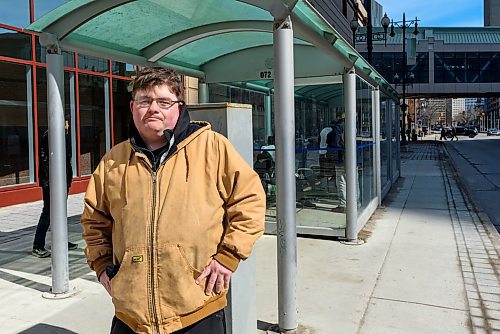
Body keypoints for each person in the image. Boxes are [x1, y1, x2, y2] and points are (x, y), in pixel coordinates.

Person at [80, 67, 265, 334]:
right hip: (131, 316)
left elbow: (249, 201)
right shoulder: (113, 160)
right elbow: (94, 219)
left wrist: (228, 256)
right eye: (145, 101)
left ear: (179, 106)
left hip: (197, 309)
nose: (153, 108)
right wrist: (101, 265)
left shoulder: (213, 147)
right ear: (133, 107)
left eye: (163, 101)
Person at [32, 119, 78, 258]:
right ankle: (37, 245)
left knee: (60, 212)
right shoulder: (51, 136)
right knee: (48, 211)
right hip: (52, 182)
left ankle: (60, 240)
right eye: (67, 122)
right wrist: (52, 181)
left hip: (62, 180)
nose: (68, 125)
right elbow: (47, 159)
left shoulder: (62, 136)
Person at [327, 113, 346, 213]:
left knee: (341, 180)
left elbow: (335, 142)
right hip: (353, 157)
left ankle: (343, 205)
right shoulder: (352, 126)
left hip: (341, 157)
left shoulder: (338, 127)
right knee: (353, 180)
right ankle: (356, 202)